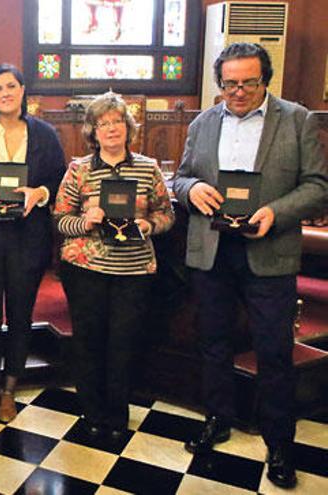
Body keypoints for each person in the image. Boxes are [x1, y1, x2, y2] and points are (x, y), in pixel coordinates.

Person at [173, 42, 327, 489]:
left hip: (269, 250)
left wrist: (275, 213)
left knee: (274, 351)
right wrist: (192, 189)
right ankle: (217, 418)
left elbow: (318, 186)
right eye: (229, 84)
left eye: (249, 82)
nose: (238, 92)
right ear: (219, 83)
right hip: (213, 250)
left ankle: (279, 443)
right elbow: (181, 176)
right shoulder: (203, 122)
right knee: (213, 342)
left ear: (266, 80)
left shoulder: (297, 120)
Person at [53, 92, 174, 441]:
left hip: (133, 271)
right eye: (103, 123)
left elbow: (166, 215)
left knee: (124, 343)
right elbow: (60, 218)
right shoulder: (79, 170)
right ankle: (92, 411)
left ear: (128, 126)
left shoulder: (148, 168)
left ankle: (117, 412)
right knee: (89, 341)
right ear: (92, 131)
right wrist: (86, 223)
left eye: (117, 121)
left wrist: (150, 225)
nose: (111, 129)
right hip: (86, 269)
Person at [0, 64, 66, 423]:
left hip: (28, 236)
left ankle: (9, 388)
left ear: (23, 90)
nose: (4, 93)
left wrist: (40, 192)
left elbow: (59, 178)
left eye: (11, 86)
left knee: (21, 316)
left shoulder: (45, 135)